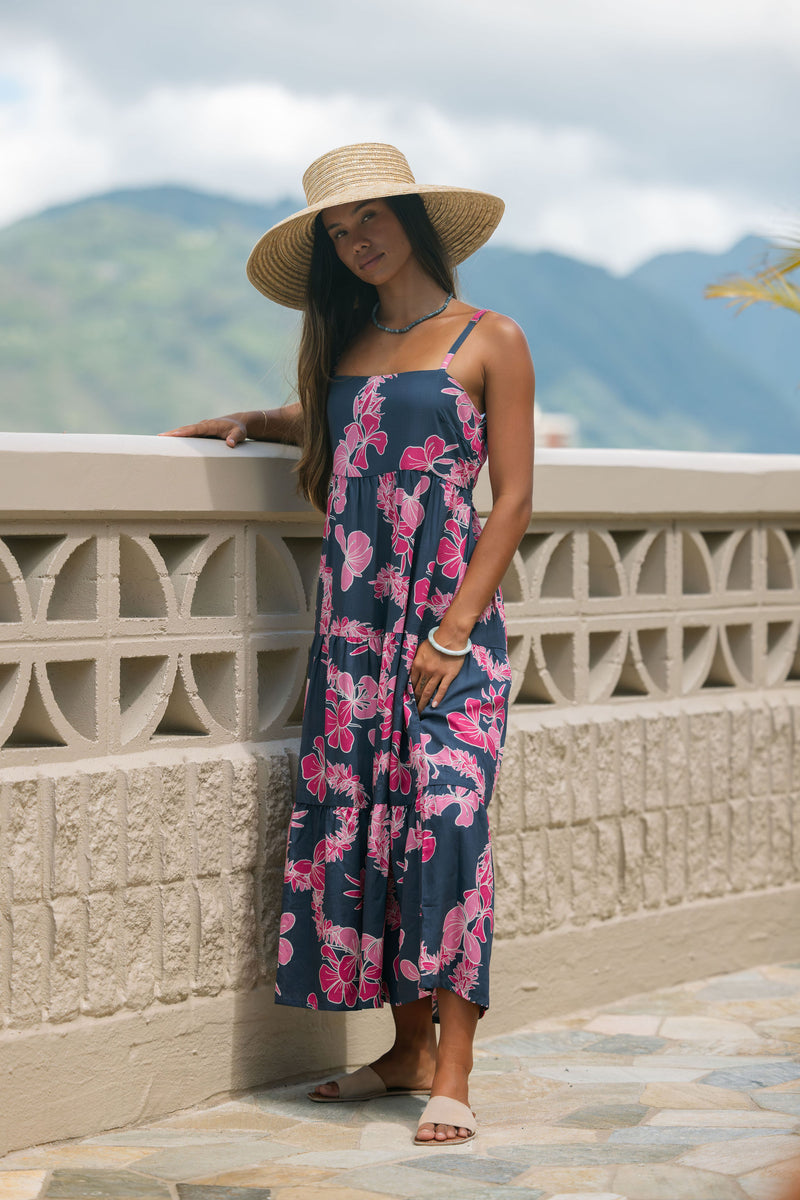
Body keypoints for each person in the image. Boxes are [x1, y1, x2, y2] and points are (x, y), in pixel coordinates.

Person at [164, 143, 535, 1146]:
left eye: (368, 217)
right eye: (337, 230)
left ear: (410, 218)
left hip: (450, 630)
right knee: (366, 823)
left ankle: (453, 1069)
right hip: (353, 628)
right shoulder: (345, 346)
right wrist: (258, 421)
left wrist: (455, 631)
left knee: (447, 820)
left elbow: (513, 498)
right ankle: (405, 1047)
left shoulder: (488, 336)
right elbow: (349, 423)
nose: (355, 239)